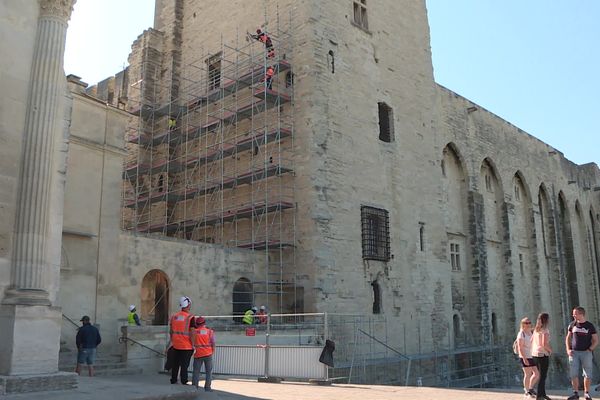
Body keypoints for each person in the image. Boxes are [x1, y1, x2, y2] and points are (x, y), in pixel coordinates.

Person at [566, 306, 598, 400]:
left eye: (575, 314)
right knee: (573, 373)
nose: (573, 315)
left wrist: (590, 349)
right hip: (574, 353)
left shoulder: (589, 326)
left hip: (586, 352)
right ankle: (575, 393)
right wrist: (568, 349)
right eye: (573, 314)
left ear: (581, 314)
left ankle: (586, 393)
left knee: (587, 374)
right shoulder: (572, 325)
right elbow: (568, 338)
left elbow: (596, 340)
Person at [168, 296, 194, 385]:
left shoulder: (174, 316)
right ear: (188, 305)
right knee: (184, 365)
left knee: (175, 364)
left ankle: (174, 379)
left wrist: (172, 341)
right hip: (186, 346)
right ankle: (184, 380)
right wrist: (194, 344)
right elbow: (192, 332)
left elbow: (171, 331)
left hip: (176, 345)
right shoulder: (190, 317)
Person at [516, 316, 539, 398]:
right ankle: (526, 390)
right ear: (523, 324)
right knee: (528, 374)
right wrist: (524, 358)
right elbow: (520, 347)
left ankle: (530, 388)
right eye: (526, 323)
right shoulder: (521, 334)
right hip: (525, 356)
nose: (528, 324)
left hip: (532, 355)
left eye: (529, 322)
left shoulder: (532, 332)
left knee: (537, 374)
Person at [191, 316, 215, 392]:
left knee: (196, 371)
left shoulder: (194, 332)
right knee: (208, 372)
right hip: (208, 353)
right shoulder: (209, 331)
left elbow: (191, 342)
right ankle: (207, 387)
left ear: (196, 324)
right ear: (204, 323)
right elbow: (213, 343)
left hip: (198, 354)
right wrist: (212, 351)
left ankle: (194, 387)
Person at [532, 313, 552, 400]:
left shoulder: (536, 330)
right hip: (542, 355)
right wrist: (550, 350)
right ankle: (539, 395)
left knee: (540, 375)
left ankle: (543, 394)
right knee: (542, 376)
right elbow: (544, 344)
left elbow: (532, 341)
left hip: (535, 354)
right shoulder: (545, 330)